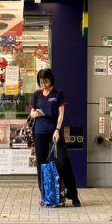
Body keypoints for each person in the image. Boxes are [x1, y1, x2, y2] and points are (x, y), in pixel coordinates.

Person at [29, 68, 80, 206]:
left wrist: (57, 130)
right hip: (39, 132)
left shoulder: (58, 94)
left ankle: (73, 195)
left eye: (46, 81)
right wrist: (35, 113)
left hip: (54, 132)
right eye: (41, 82)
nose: (43, 84)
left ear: (51, 80)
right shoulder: (37, 95)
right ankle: (45, 196)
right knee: (41, 164)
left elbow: (61, 114)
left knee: (64, 161)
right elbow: (32, 113)